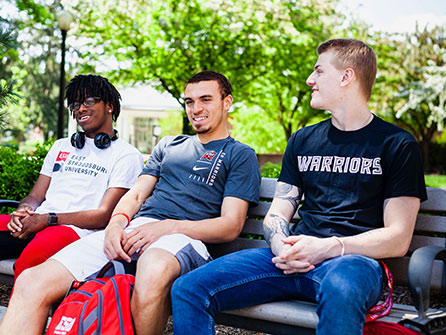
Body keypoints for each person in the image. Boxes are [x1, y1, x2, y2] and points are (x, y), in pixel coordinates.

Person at [171, 39, 427, 335]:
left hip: (351, 262)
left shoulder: (396, 144)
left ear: (346, 77)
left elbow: (398, 238)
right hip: (289, 255)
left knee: (341, 289)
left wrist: (328, 247)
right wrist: (280, 243)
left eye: (318, 71)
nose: (310, 80)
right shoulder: (303, 140)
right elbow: (279, 210)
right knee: (189, 288)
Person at [0, 70, 261, 335]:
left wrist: (165, 228)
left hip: (186, 239)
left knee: (152, 269)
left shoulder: (239, 155)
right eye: (190, 101)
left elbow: (230, 225)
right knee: (32, 281)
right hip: (134, 232)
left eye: (206, 99)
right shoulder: (169, 145)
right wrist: (114, 226)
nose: (196, 108)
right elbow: (135, 195)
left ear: (226, 102)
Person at [0, 74, 143, 279]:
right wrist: (24, 211)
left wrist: (47, 220)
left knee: (30, 263)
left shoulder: (126, 155)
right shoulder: (61, 146)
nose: (81, 109)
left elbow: (104, 215)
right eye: (76, 104)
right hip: (38, 221)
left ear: (109, 106)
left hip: (75, 231)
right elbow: (35, 196)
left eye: (89, 101)